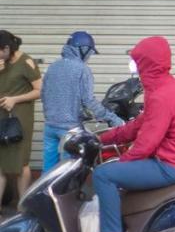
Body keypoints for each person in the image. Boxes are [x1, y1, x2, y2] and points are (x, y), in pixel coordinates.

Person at [93, 36, 175, 232]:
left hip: (170, 165)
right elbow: (138, 126)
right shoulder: (165, 86)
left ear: (147, 63)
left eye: (137, 62)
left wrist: (123, 161)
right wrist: (101, 138)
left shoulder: (161, 95)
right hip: (172, 161)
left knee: (104, 175)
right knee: (114, 172)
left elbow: (147, 142)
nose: (135, 68)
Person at [41, 31, 123, 172]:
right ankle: (67, 194)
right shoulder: (82, 69)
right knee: (69, 171)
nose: (90, 56)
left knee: (49, 171)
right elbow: (89, 101)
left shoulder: (53, 67)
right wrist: (114, 119)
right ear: (83, 50)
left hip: (50, 126)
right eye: (90, 52)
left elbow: (44, 95)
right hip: (70, 130)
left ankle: (45, 194)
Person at [0, 30, 42, 208]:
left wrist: (14, 99)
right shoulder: (3, 63)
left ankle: (23, 206)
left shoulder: (27, 62)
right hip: (2, 116)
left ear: (7, 48)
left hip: (20, 118)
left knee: (21, 162)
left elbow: (39, 91)